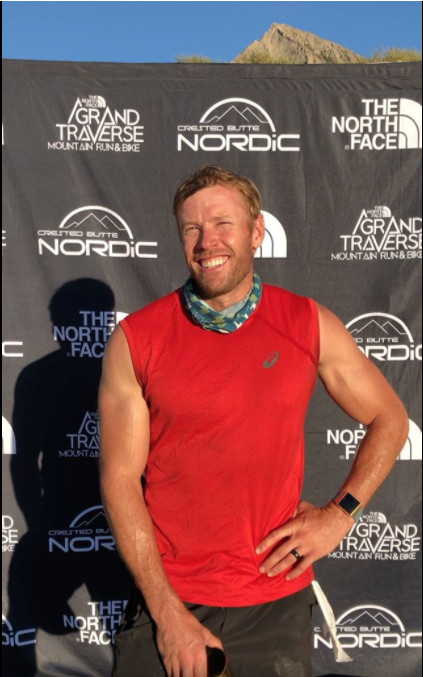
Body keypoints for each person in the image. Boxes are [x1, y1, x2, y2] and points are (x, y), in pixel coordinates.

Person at [99, 165, 409, 677]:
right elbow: (119, 479)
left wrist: (340, 515)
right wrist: (167, 613)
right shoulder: (137, 339)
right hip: (171, 599)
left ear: (257, 232)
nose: (207, 242)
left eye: (223, 224)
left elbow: (390, 417)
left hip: (275, 605)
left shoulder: (306, 323)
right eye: (192, 228)